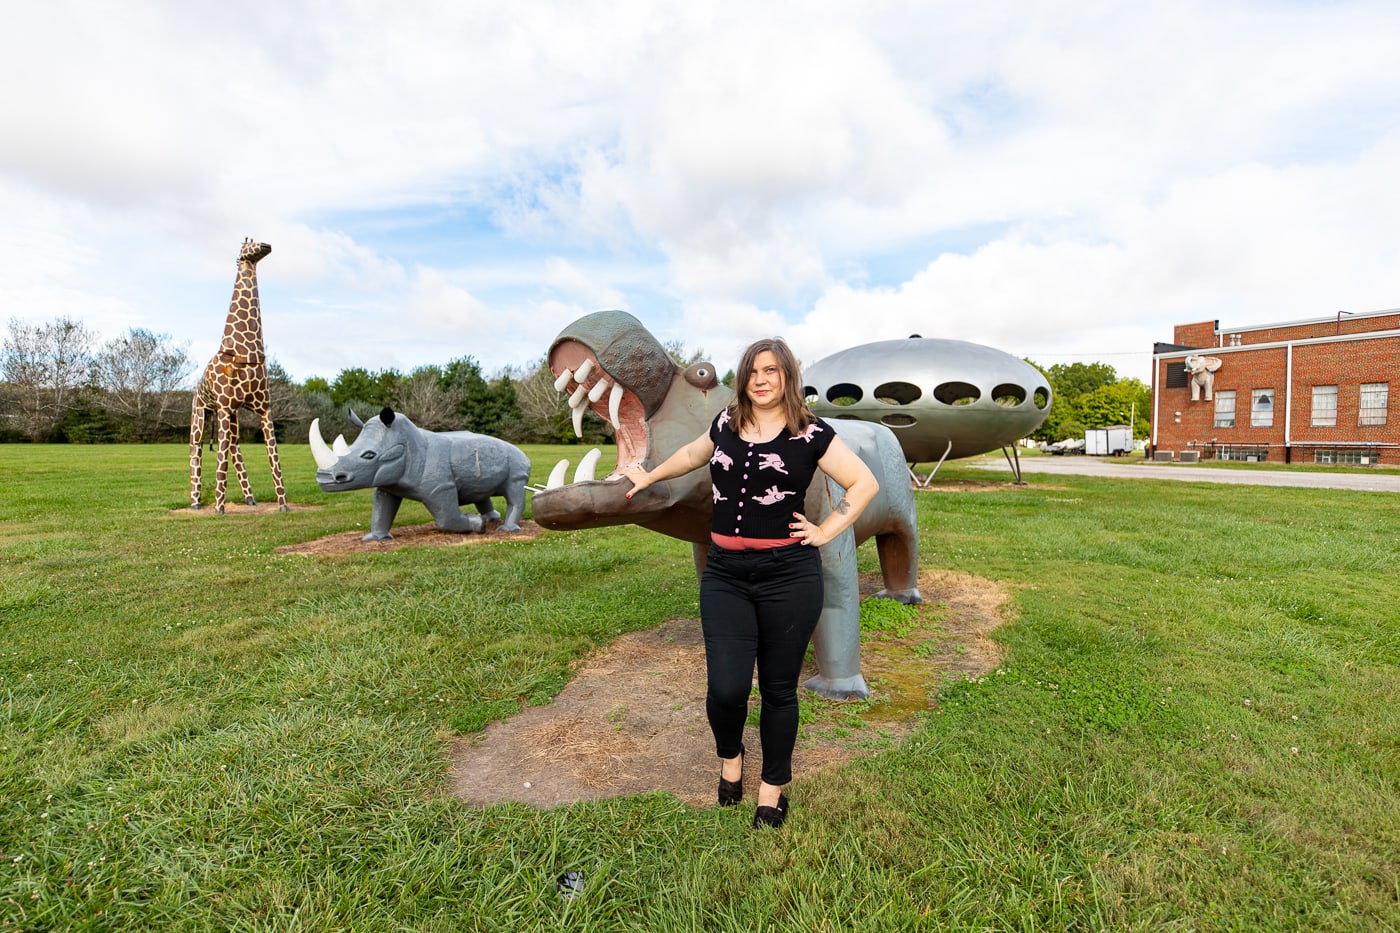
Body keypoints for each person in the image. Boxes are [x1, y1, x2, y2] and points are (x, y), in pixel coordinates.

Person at [622, 337, 878, 828]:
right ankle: (731, 758)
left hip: (789, 576)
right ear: (744, 379)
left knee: (780, 689)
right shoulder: (726, 422)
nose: (761, 380)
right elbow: (694, 455)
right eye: (753, 372)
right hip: (726, 575)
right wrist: (649, 476)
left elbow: (864, 483)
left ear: (787, 377)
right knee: (726, 688)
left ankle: (772, 788)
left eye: (771, 371)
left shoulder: (811, 433)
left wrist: (826, 530)